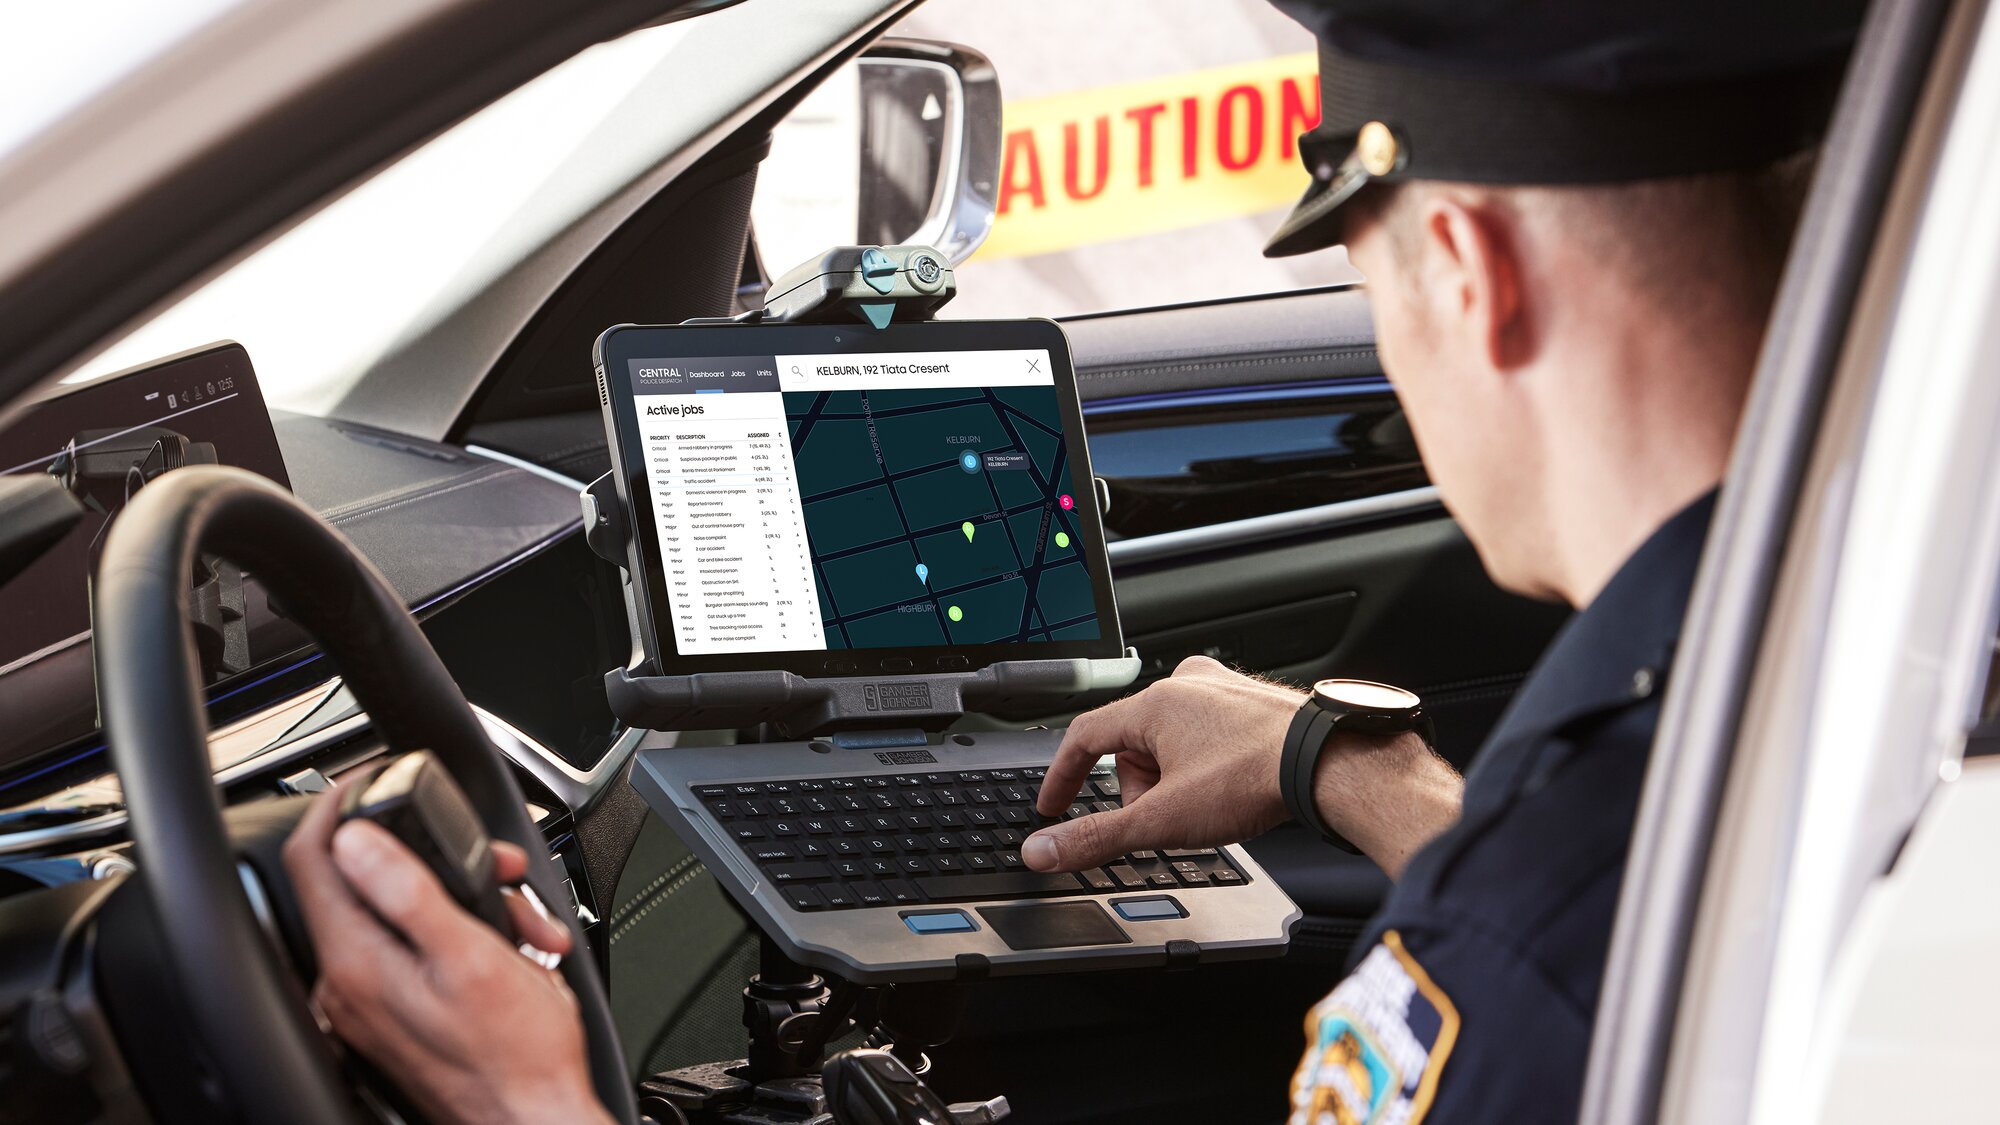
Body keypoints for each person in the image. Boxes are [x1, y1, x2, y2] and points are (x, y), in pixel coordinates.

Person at [284, 1, 1865, 1122]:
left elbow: (1562, 938)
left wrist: (536, 1103)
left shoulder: (1536, 931)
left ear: (1468, 273)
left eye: (1374, 285)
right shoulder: (1843, 668)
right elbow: (1634, 917)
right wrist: (1339, 761)